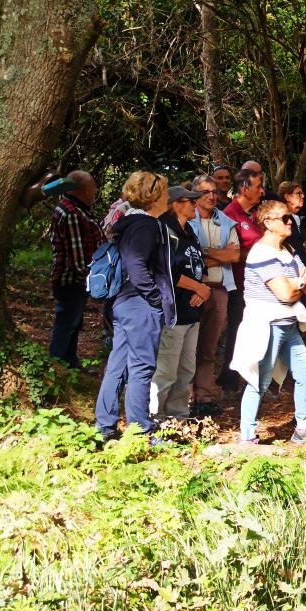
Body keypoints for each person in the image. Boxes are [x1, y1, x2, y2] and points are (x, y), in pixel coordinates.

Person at [95, 171, 175, 442]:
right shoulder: (145, 225)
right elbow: (136, 264)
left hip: (123, 302)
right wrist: (155, 299)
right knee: (142, 366)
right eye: (165, 191)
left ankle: (105, 426)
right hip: (139, 304)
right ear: (153, 197)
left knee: (118, 364)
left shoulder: (128, 223)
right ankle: (141, 430)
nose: (168, 197)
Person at [230, 200, 306, 444]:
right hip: (268, 326)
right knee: (259, 381)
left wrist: (297, 284)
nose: (290, 222)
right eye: (284, 218)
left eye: (290, 218)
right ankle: (247, 437)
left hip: (289, 323)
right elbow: (286, 293)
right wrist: (297, 284)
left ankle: (303, 427)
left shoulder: (287, 250)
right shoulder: (261, 253)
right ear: (268, 223)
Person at [150, 187, 211, 420]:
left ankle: (179, 417)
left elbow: (200, 266)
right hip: (173, 312)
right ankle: (155, 418)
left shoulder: (189, 231)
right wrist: (198, 287)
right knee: (166, 370)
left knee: (186, 369)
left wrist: (202, 290)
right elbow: (165, 271)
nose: (195, 205)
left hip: (192, 311)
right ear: (176, 204)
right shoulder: (164, 230)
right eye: (191, 202)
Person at [189, 174, 239, 416]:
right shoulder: (187, 220)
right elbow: (189, 258)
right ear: (194, 195)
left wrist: (205, 252)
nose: (211, 196)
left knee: (209, 348)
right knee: (187, 346)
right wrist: (219, 253)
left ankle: (205, 396)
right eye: (205, 192)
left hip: (219, 289)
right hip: (192, 290)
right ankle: (185, 398)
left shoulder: (226, 222)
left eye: (214, 192)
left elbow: (234, 256)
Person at [48, 170, 104, 369]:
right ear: (83, 190)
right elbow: (77, 256)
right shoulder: (71, 212)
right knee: (67, 323)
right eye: (92, 189)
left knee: (74, 322)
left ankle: (70, 363)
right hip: (71, 280)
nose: (94, 193)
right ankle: (57, 366)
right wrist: (93, 281)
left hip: (75, 279)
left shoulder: (76, 209)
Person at [217, 168, 265, 391]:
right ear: (245, 189)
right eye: (258, 187)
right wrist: (261, 252)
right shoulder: (230, 214)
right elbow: (231, 252)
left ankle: (249, 376)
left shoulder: (254, 214)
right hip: (238, 284)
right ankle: (229, 378)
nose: (262, 191)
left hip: (258, 283)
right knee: (237, 331)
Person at [277, 180, 306, 265]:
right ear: (287, 197)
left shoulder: (293, 217)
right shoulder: (279, 219)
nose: (303, 196)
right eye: (299, 193)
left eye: (302, 193)